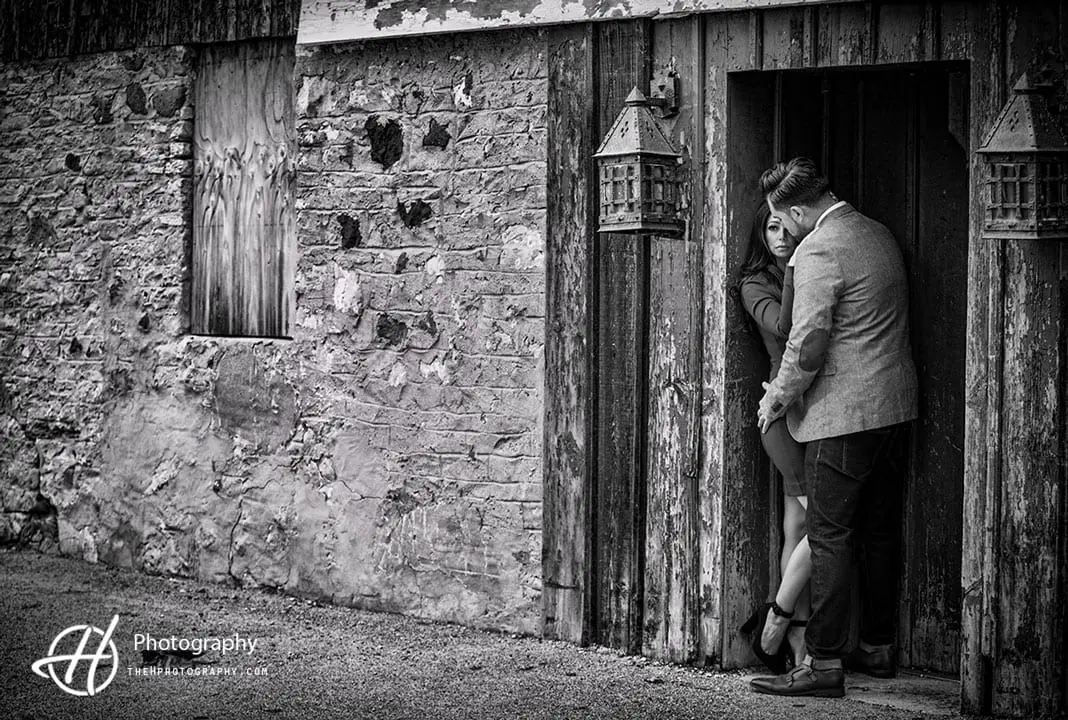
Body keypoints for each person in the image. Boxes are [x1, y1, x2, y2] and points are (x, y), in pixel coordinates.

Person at [749, 157, 918, 698]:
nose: (783, 231)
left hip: (843, 418)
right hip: (895, 410)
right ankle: (877, 646)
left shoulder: (819, 250)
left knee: (828, 537)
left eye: (782, 219)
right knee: (880, 530)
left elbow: (808, 343)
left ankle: (821, 664)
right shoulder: (877, 233)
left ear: (798, 210)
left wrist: (776, 398)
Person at [737, 202, 812, 672]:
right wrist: (793, 269)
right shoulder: (754, 283)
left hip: (817, 413)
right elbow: (782, 328)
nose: (780, 235)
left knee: (797, 528)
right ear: (761, 234)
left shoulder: (814, 267)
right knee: (824, 522)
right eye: (771, 227)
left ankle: (798, 650)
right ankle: (777, 624)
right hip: (780, 416)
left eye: (787, 226)